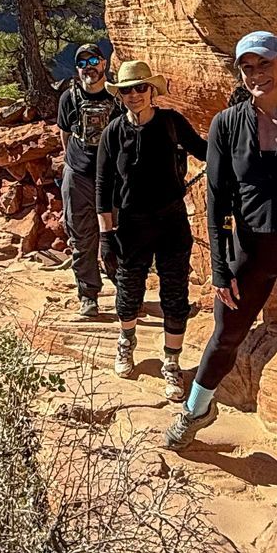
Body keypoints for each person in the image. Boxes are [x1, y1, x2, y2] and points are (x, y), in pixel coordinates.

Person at [165, 32, 277, 483]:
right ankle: (195, 411)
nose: (256, 75)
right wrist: (219, 269)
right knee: (225, 337)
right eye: (247, 68)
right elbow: (217, 200)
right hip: (249, 250)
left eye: (264, 65)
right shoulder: (228, 123)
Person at [95, 59, 208, 398]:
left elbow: (205, 152)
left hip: (171, 219)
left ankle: (171, 363)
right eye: (127, 90)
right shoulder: (113, 132)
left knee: (175, 293)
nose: (134, 95)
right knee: (129, 289)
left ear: (152, 91)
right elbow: (103, 184)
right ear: (121, 95)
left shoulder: (171, 123)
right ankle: (125, 342)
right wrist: (105, 235)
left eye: (140, 88)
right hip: (132, 223)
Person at [57, 43, 119, 319]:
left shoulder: (118, 95)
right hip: (79, 174)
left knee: (118, 235)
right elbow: (64, 135)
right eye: (82, 63)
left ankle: (126, 291)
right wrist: (71, 164)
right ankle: (88, 295)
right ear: (77, 68)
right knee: (81, 237)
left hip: (114, 177)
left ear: (104, 63)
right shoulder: (68, 98)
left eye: (93, 60)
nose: (88, 67)